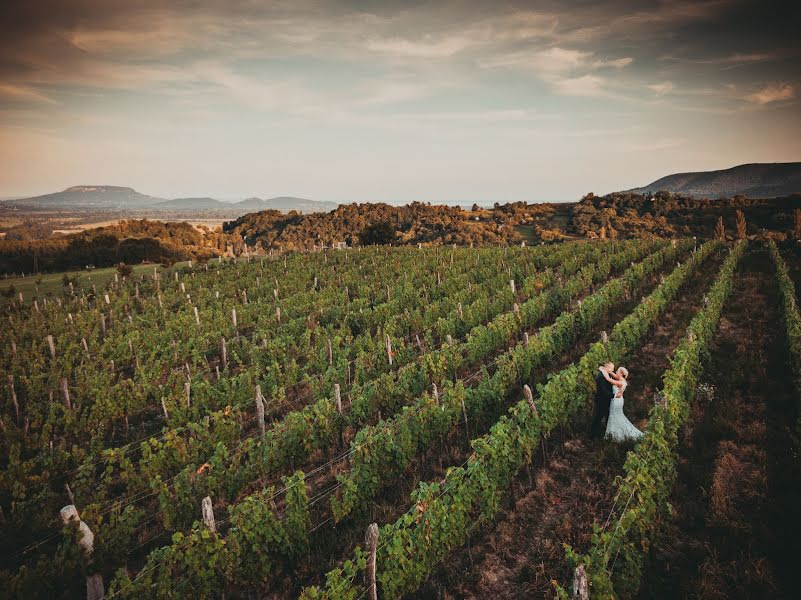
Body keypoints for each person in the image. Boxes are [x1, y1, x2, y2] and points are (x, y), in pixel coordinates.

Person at [602, 366, 643, 442]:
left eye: (617, 371)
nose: (616, 372)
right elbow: (613, 375)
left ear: (621, 374)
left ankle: (615, 436)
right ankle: (614, 434)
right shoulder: (622, 379)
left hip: (616, 401)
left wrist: (602, 370)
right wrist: (609, 370)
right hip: (619, 400)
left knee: (614, 416)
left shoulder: (620, 382)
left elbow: (608, 379)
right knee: (617, 416)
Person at [590, 361, 615, 438]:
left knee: (606, 417)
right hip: (602, 401)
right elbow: (604, 391)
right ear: (607, 368)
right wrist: (614, 395)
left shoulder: (605, 374)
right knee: (598, 417)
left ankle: (606, 434)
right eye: (612, 368)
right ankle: (592, 435)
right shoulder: (601, 377)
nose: (613, 370)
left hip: (605, 400)